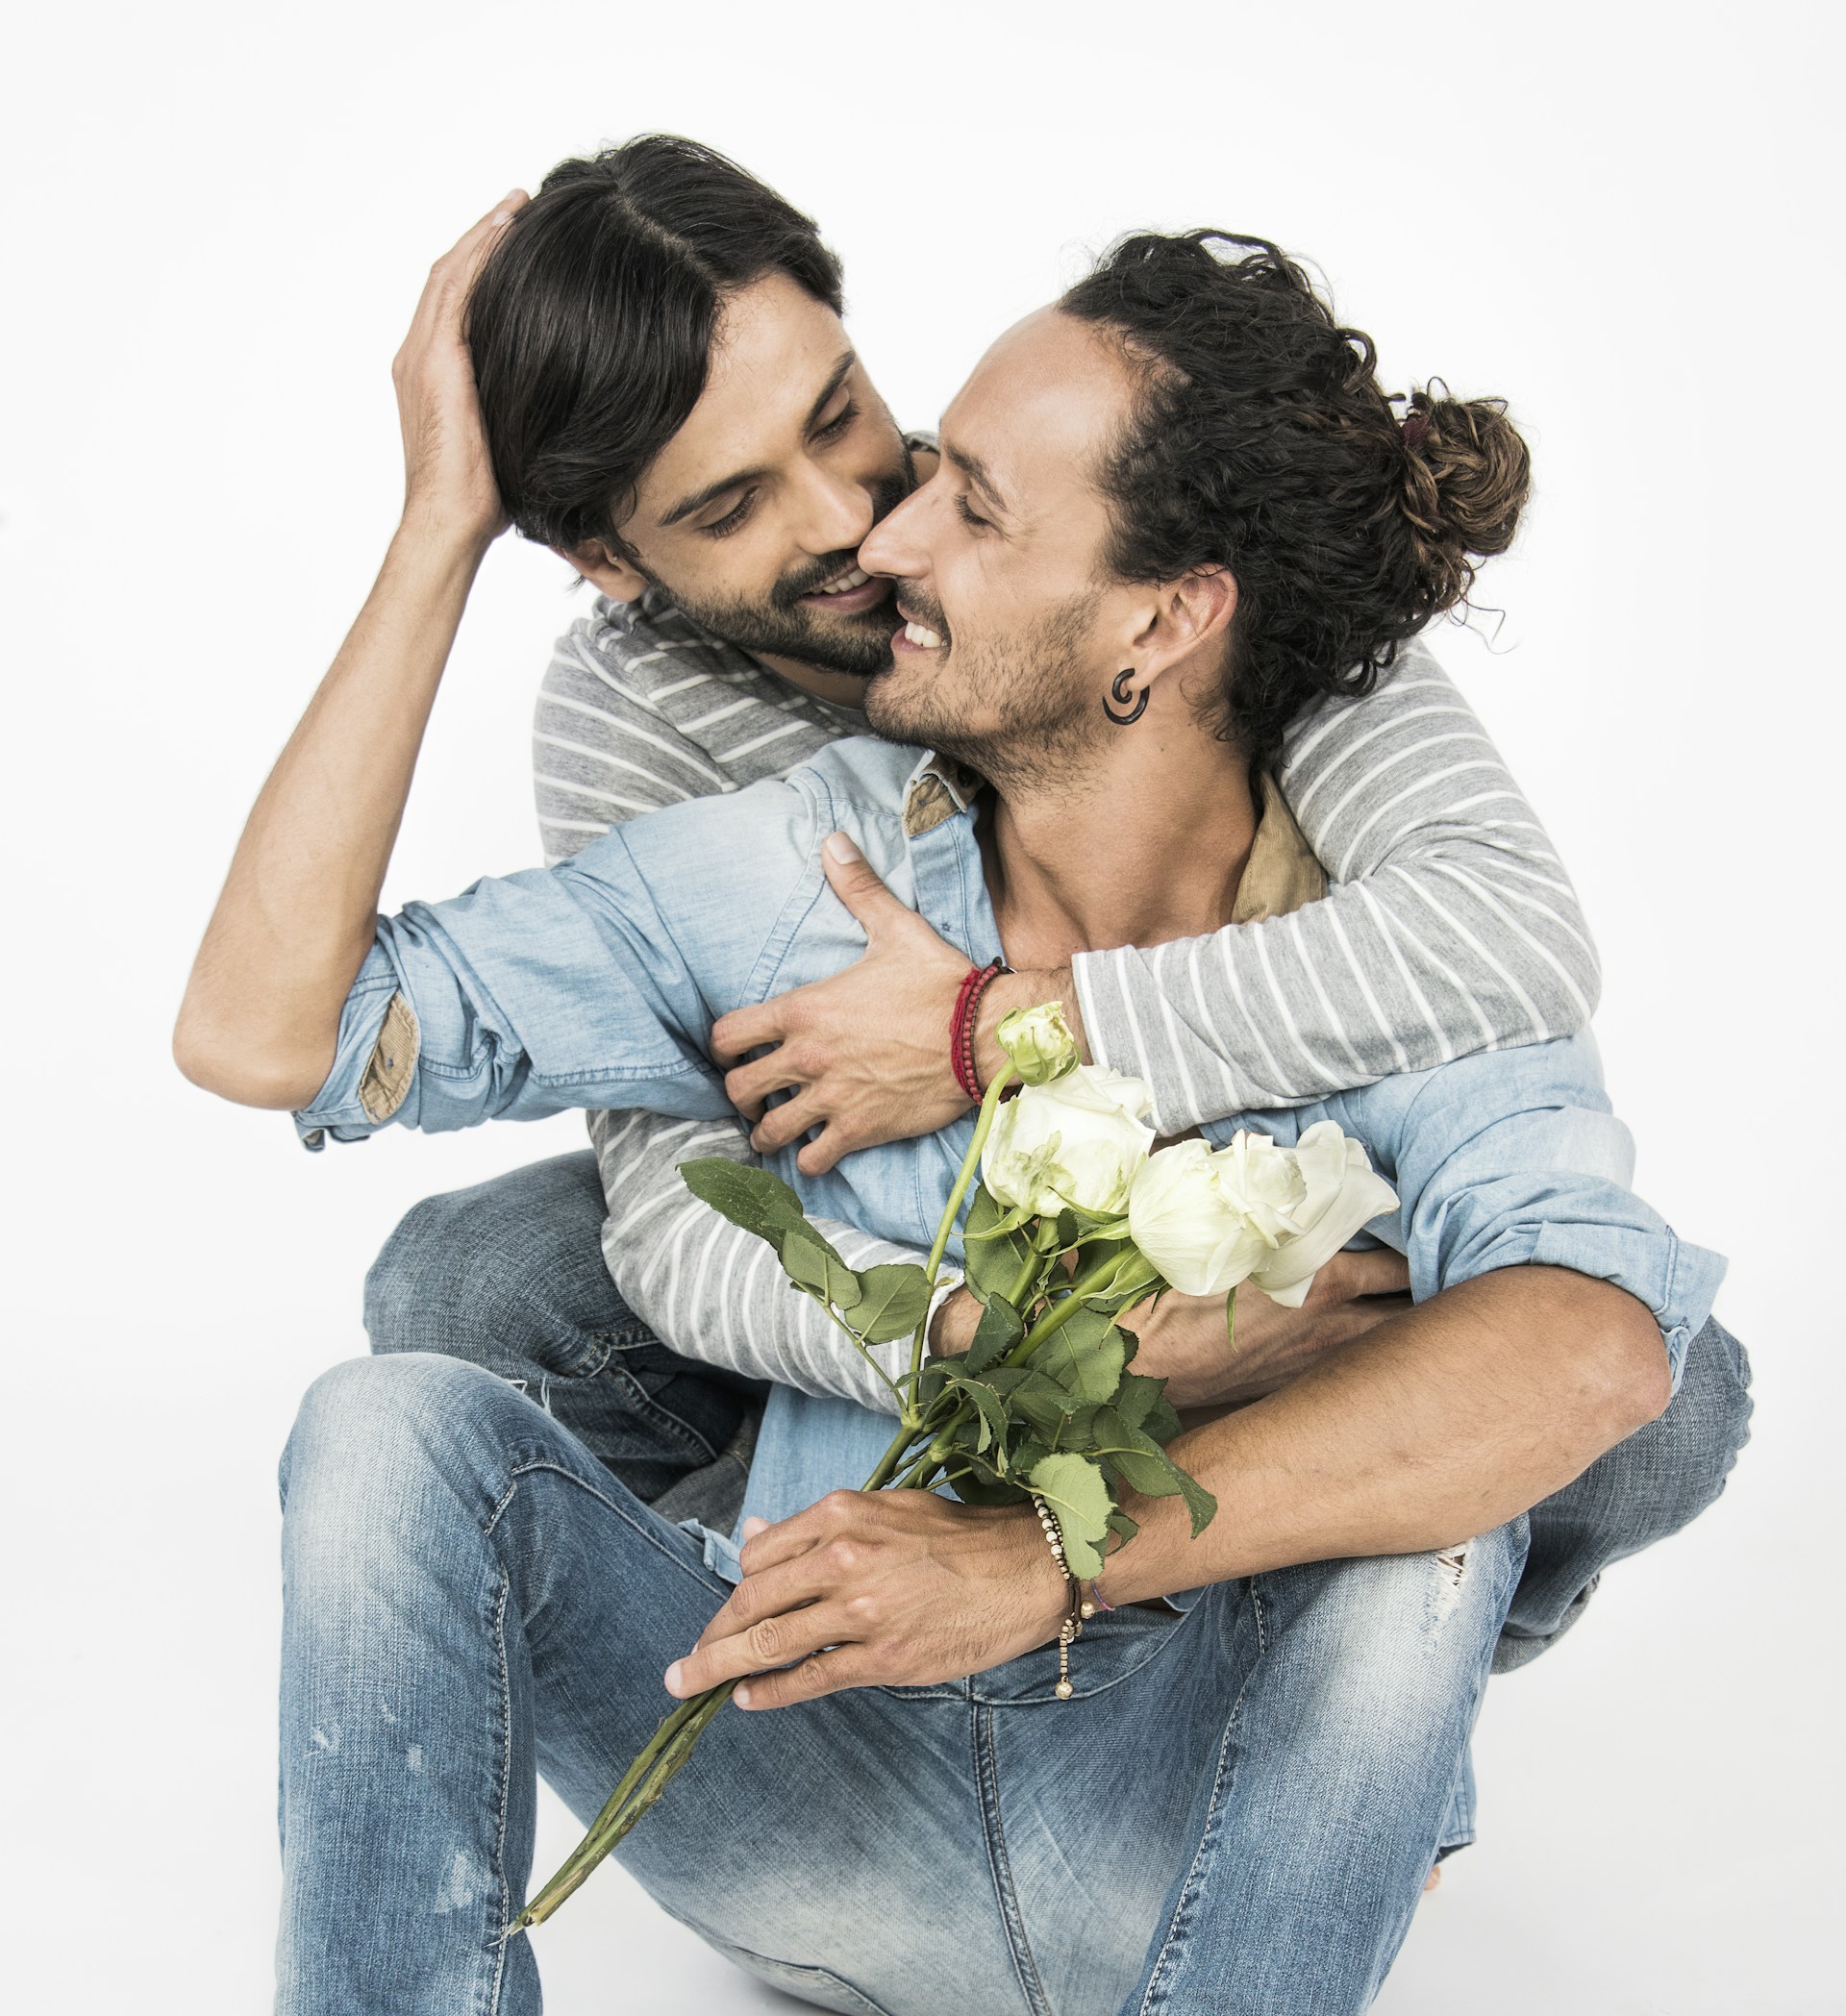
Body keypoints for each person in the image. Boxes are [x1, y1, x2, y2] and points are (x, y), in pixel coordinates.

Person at [74, 203, 1746, 2016]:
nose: (882, 538)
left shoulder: (1380, 912)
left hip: (1174, 1837)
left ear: (1166, 616)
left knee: (1453, 1484)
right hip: (805, 1796)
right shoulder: (763, 864)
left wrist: (1047, 1554)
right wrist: (437, 508)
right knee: (402, 1400)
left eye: (966, 492)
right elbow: (268, 1024)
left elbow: (1604, 1348)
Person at [354, 140, 1607, 1510]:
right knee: (475, 1280)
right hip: (907, 1227)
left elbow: (1508, 927)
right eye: (729, 505)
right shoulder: (635, 705)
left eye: (840, 415)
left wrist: (1001, 1033)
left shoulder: (1133, 528)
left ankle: (1250, 1553)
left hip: (1261, 1153)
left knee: (1638, 1372)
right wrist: (436, 534)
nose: (863, 526)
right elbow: (672, 1190)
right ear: (608, 559)